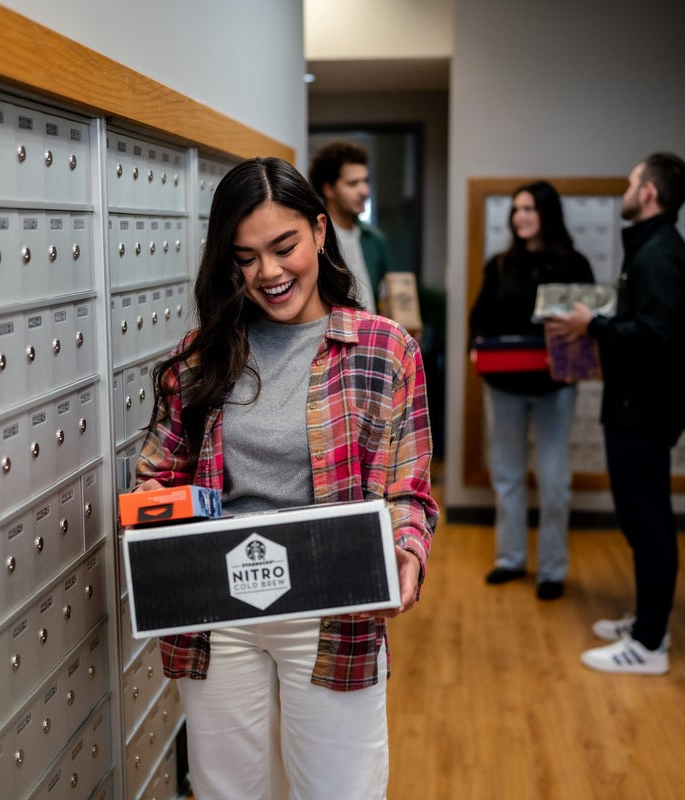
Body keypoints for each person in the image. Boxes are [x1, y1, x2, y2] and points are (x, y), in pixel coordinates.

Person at [133, 156, 437, 797]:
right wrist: (149, 513)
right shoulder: (197, 358)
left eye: (284, 246)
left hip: (334, 606)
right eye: (245, 257)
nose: (268, 273)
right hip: (220, 609)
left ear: (320, 232)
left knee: (341, 789)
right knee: (228, 791)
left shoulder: (385, 350)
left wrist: (407, 549)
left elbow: (406, 488)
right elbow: (157, 476)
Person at [545, 152, 685, 675]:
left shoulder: (658, 254)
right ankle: (647, 620)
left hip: (645, 409)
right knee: (641, 520)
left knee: (649, 521)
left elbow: (656, 337)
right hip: (639, 405)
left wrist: (595, 325)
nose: (626, 190)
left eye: (633, 181)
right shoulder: (653, 248)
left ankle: (650, 644)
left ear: (650, 193)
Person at [469, 182, 594, 599]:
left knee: (554, 480)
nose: (521, 216)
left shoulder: (573, 263)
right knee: (506, 477)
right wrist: (477, 348)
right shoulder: (500, 264)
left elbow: (588, 326)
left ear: (547, 213)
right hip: (503, 385)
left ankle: (553, 570)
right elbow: (480, 316)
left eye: (529, 208)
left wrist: (579, 362)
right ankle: (510, 558)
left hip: (555, 387)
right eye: (516, 209)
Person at [309, 140, 392, 312]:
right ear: (328, 189)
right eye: (353, 183)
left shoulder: (375, 239)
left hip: (372, 333)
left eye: (365, 181)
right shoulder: (313, 236)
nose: (364, 191)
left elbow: (386, 294)